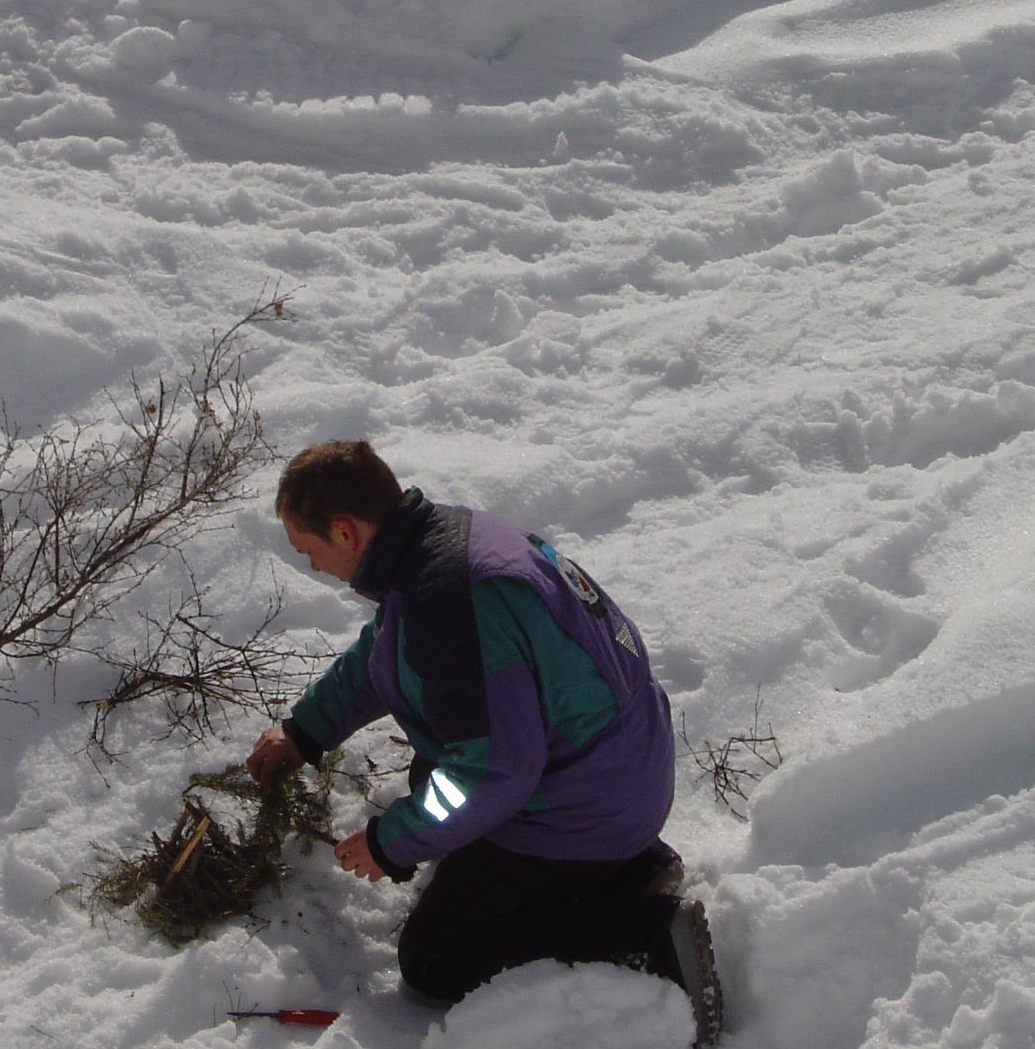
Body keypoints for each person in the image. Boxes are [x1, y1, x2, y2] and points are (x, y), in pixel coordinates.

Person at [246, 440, 723, 1046]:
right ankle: (631, 869)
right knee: (437, 782)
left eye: (308, 550)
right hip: (620, 772)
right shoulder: (440, 544)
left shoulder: (446, 602)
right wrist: (304, 730)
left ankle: (649, 937)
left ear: (344, 531)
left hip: (581, 809)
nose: (313, 566)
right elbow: (387, 652)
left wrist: (391, 841)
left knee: (434, 955)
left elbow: (493, 772)